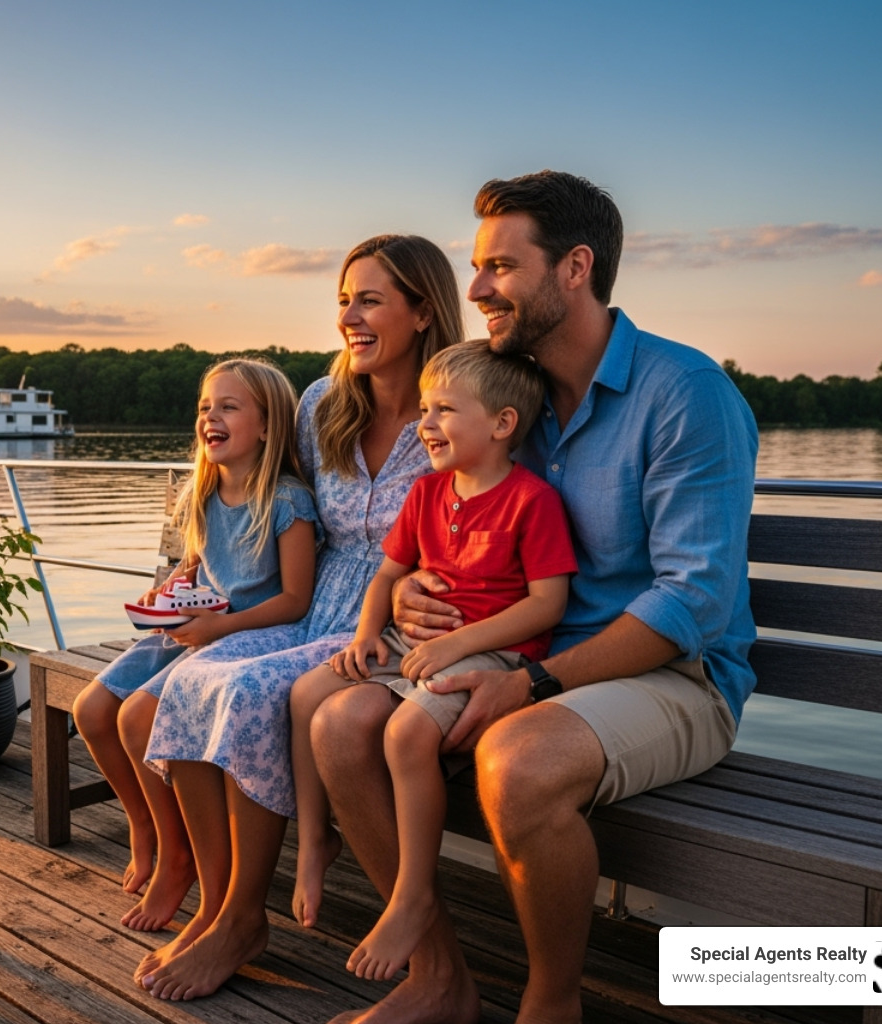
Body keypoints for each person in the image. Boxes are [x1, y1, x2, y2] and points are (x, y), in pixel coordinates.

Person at [310, 170, 758, 1024]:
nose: (475, 289)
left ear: (575, 268)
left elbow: (693, 602)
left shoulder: (683, 394)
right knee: (338, 723)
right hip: (519, 657)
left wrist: (535, 681)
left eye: (500, 268)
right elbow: (461, 540)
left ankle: (551, 1005)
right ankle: (439, 979)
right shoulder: (513, 399)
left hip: (674, 677)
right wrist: (413, 600)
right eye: (478, 268)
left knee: (515, 763)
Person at [125, 234, 465, 1001]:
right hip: (315, 609)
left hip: (390, 619)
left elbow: (483, 509)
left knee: (248, 692)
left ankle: (247, 914)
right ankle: (219, 909)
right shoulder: (321, 403)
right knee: (185, 683)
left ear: (422, 310)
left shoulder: (455, 404)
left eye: (371, 299)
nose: (350, 315)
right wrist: (205, 579)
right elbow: (280, 503)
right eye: (344, 300)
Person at [288, 339, 577, 983]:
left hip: (492, 652)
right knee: (308, 696)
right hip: (414, 642)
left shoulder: (532, 502)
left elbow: (547, 606)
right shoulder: (426, 493)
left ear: (502, 424)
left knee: (407, 732)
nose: (425, 424)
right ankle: (313, 841)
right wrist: (367, 631)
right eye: (424, 409)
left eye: (444, 409)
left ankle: (414, 892)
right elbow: (390, 573)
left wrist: (460, 644)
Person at [71, 358, 318, 932]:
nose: (212, 416)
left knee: (137, 719)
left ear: (266, 426)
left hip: (248, 635)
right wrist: (174, 588)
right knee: (91, 711)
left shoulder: (285, 502)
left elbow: (295, 601)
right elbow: (196, 564)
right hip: (191, 629)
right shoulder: (202, 493)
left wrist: (218, 629)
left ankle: (179, 859)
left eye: (229, 406)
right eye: (206, 406)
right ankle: (148, 826)